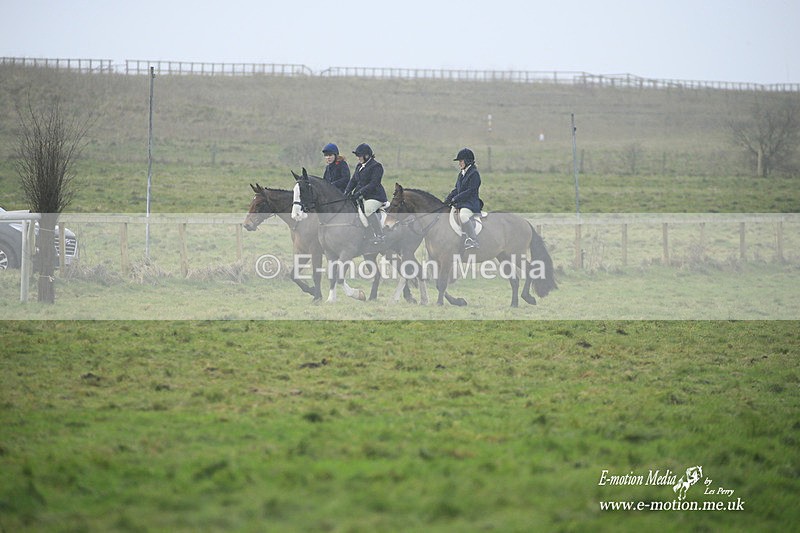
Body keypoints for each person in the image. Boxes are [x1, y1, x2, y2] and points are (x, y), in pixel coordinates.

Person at [344, 143, 387, 244]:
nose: (358, 158)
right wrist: (346, 192)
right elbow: (353, 180)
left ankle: (379, 235)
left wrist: (359, 192)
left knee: (368, 209)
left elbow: (374, 184)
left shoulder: (376, 166)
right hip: (361, 196)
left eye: (360, 156)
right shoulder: (359, 166)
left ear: (367, 155)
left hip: (375, 196)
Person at [444, 148, 483, 250]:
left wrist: (455, 198)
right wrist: (448, 198)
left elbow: (470, 191)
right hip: (462, 203)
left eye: (461, 161)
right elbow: (457, 189)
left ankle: (473, 240)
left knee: (463, 216)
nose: (459, 163)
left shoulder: (474, 174)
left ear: (467, 161)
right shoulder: (461, 174)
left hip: (471, 204)